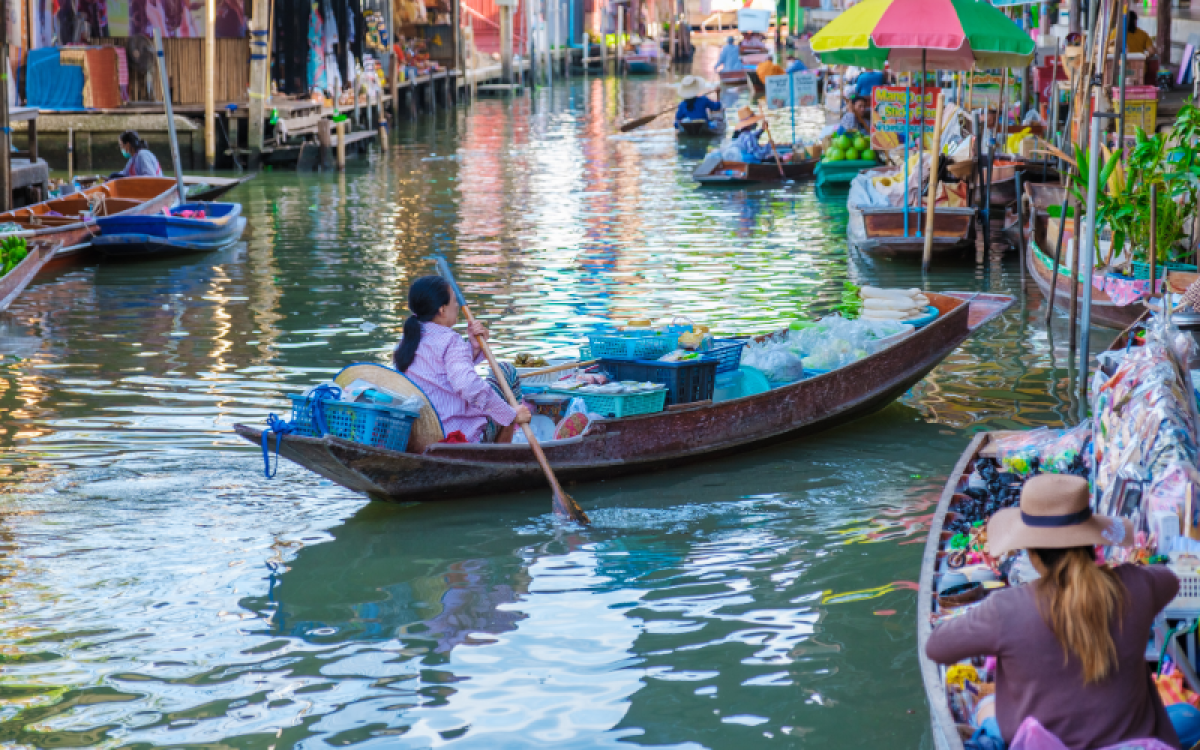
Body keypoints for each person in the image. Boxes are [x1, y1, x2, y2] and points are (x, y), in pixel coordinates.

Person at [926, 473, 1184, 749]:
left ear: (1033, 555)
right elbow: (1170, 578)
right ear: (1091, 543)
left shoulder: (1007, 609)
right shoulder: (1137, 586)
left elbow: (937, 646)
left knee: (987, 708)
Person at [393, 276, 532, 444]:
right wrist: (510, 414)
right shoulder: (450, 340)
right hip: (459, 437)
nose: (457, 305)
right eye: (453, 300)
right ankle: (501, 453)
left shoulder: (407, 341)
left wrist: (473, 347)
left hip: (421, 436)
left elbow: (441, 373)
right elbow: (467, 385)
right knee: (506, 371)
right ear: (442, 310)